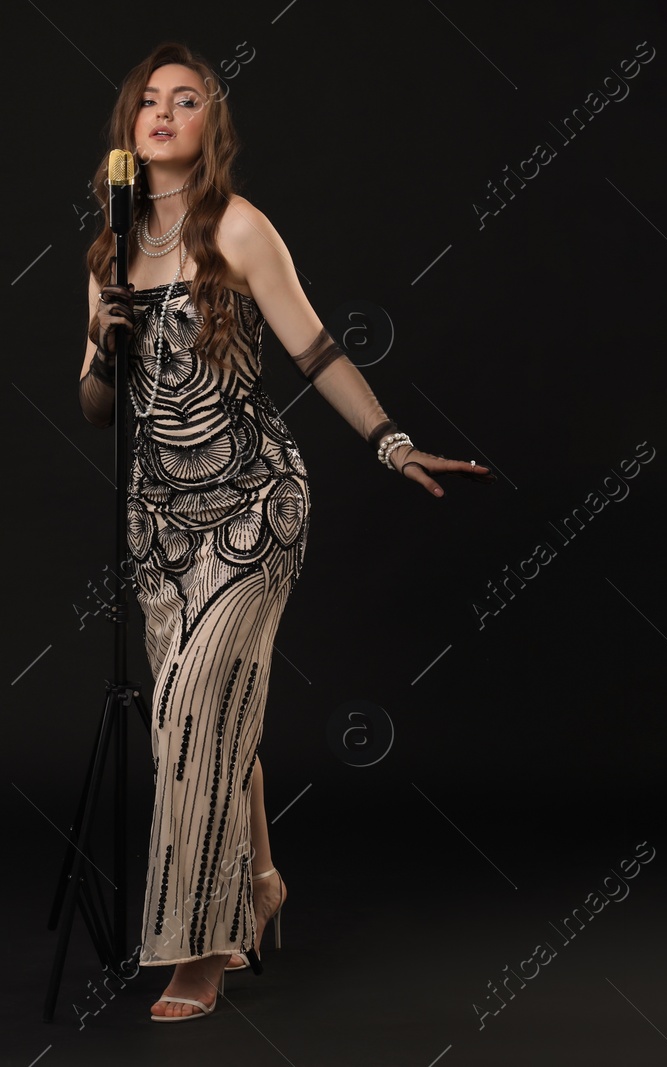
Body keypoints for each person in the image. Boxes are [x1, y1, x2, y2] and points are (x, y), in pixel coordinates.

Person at [77, 42, 496, 1023]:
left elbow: (315, 350)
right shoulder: (105, 250)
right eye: (150, 101)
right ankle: (263, 876)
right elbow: (97, 406)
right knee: (209, 716)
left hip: (252, 507)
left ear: (210, 128)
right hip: (160, 527)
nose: (165, 113)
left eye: (187, 101)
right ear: (128, 129)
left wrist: (391, 443)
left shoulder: (241, 228)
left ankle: (201, 953)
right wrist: (103, 338)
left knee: (189, 713)